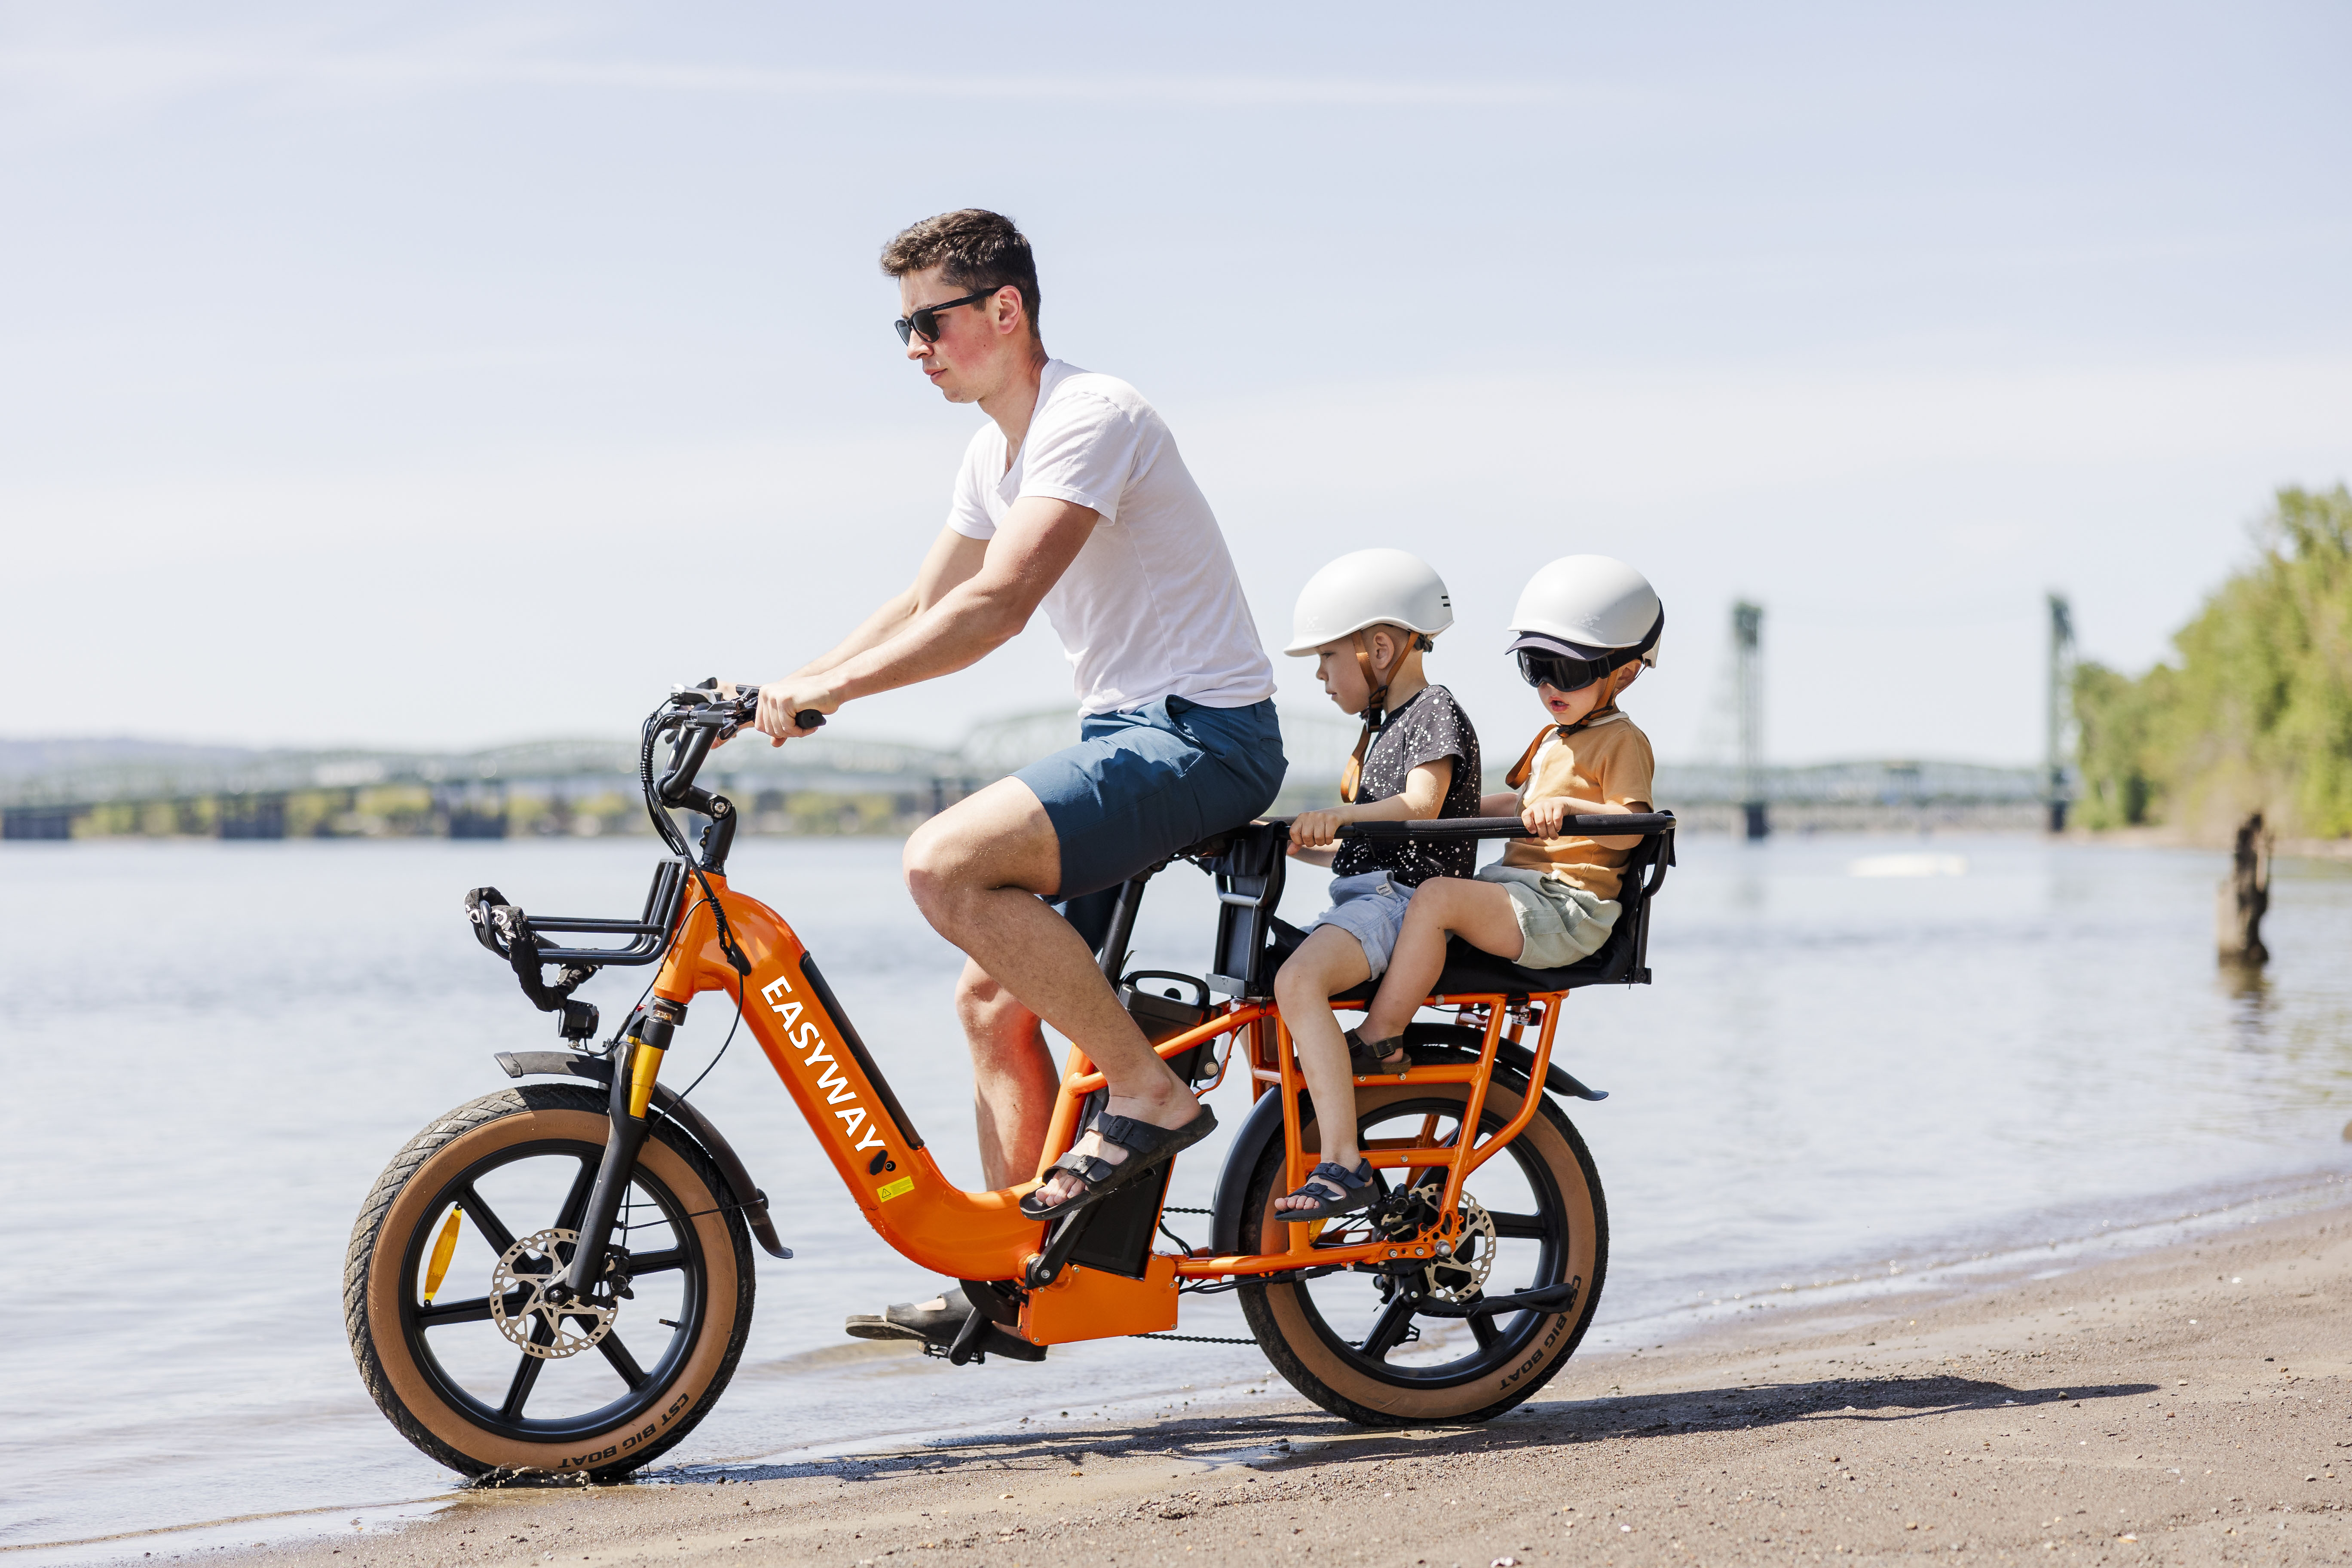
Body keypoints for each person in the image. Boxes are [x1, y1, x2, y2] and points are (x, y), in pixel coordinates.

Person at [735, 209, 1284, 1349]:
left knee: (944, 864)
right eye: (900, 331)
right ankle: (1015, 1273)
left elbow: (995, 608)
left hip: (1204, 732)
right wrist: (791, 682)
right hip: (1123, 729)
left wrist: (836, 696)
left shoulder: (1094, 416)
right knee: (991, 994)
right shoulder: (993, 452)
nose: (913, 350)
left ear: (1006, 309)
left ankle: (1148, 1094)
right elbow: (926, 601)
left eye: (928, 323)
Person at [1350, 556, 1662, 1057]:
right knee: (1413, 894)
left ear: (1622, 675)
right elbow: (1518, 806)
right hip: (1522, 890)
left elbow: (1631, 828)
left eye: (1566, 670)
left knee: (1436, 899)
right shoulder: (1554, 740)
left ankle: (1381, 1034)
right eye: (1535, 668)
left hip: (1568, 909)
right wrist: (1445, 811)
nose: (1549, 687)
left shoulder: (1622, 741)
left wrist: (1567, 807)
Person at [1267, 550, 1483, 1220]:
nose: (1322, 678)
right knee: (1267, 973)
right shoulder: (1381, 726)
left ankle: (1344, 1164)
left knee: (1297, 982)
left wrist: (1343, 813)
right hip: (1372, 893)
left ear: (1380, 647)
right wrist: (1283, 837)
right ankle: (1307, 1128)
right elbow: (1355, 848)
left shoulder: (1433, 712)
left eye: (1327, 658)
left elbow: (1421, 806)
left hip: (1401, 901)